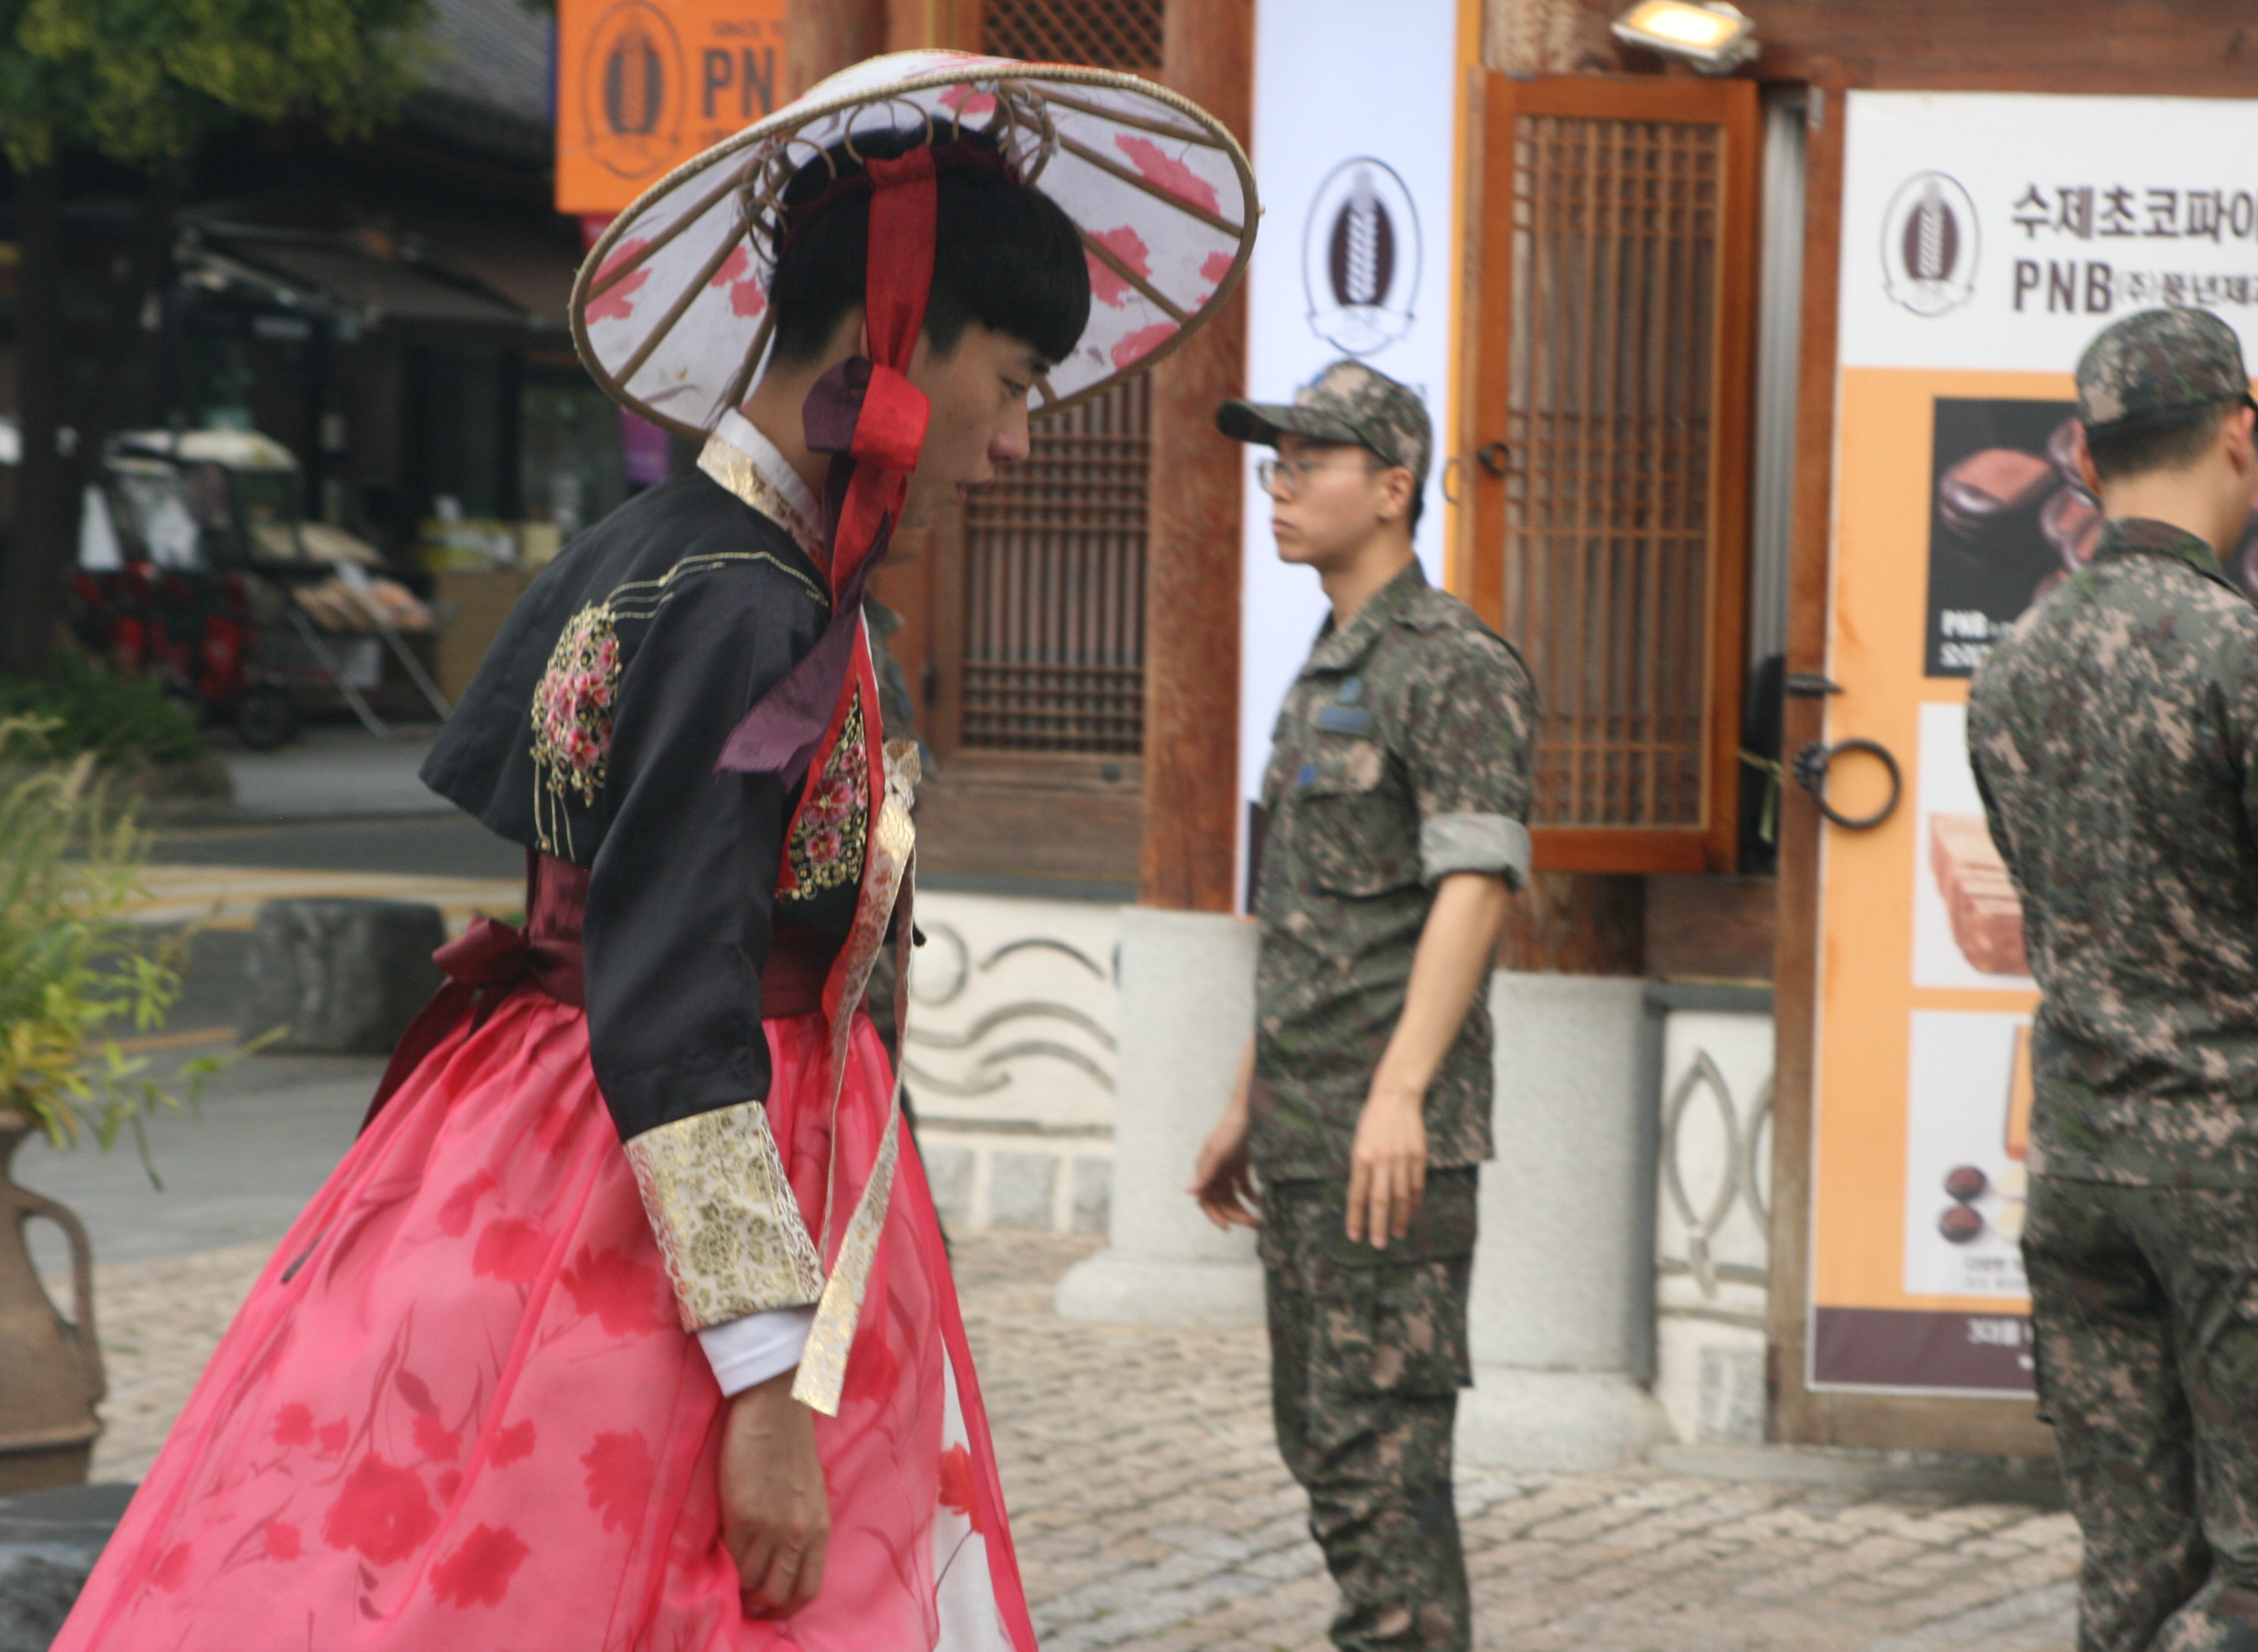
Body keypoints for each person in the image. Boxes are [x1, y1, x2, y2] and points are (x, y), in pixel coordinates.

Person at [53, 53, 1252, 1651]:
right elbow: (677, 1002)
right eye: (1021, 380)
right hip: (664, 1194)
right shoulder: (748, 606)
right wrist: (763, 1387)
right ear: (893, 336)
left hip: (546, 1141)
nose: (1023, 435)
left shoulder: (657, 547)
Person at [1967, 307, 2258, 1652]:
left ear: (2090, 464)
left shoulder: (2016, 667)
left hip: (2092, 1178)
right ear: (2238, 436)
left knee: (2136, 1577)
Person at [1189, 361, 1537, 1652]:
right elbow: (1309, 920)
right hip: (1306, 1127)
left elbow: (1477, 886)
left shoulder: (1450, 665)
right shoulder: (1326, 667)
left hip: (1388, 1145)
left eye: (1308, 463)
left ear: (1394, 490)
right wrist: (1245, 1098)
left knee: (1380, 1463)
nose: (1279, 488)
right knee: (1329, 1448)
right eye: (1273, 464)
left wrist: (1398, 1095)